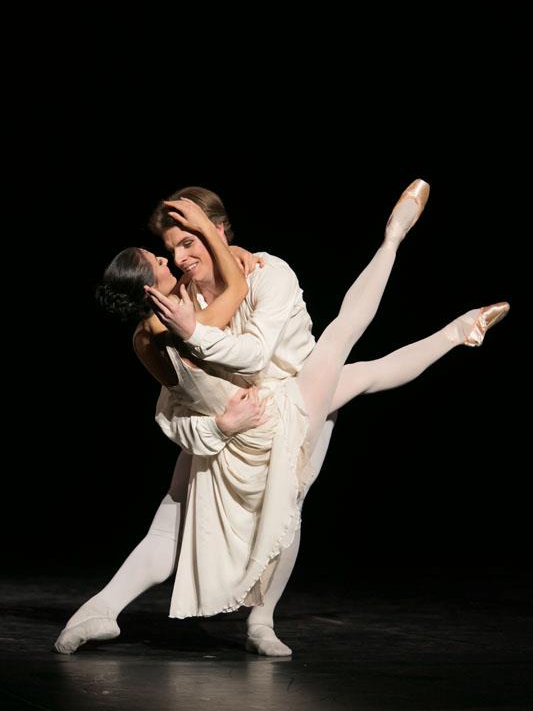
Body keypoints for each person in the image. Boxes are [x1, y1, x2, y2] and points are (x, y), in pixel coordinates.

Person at [55, 182, 509, 657]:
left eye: (188, 242)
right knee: (173, 515)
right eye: (170, 250)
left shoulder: (271, 273)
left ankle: (262, 619)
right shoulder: (176, 303)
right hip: (231, 417)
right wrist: (216, 423)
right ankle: (97, 610)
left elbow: (253, 359)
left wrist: (202, 325)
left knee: (333, 365)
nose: (180, 259)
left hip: (292, 395)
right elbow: (174, 400)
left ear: (218, 231)